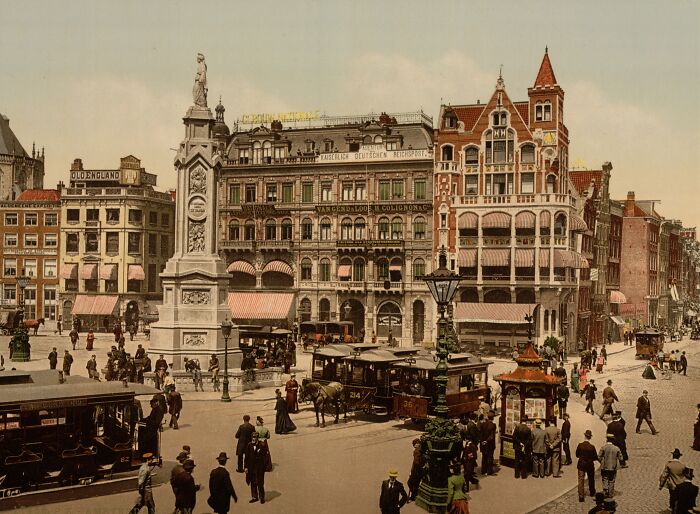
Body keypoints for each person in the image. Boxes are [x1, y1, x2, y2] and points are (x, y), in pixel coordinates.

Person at [245, 432, 271, 503]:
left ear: (257, 438)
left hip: (259, 468)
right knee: (253, 482)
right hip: (251, 468)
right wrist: (246, 467)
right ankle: (254, 497)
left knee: (260, 482)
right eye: (253, 437)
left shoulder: (261, 445)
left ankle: (262, 497)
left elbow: (265, 457)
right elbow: (246, 457)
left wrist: (263, 466)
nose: (253, 439)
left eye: (255, 437)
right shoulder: (249, 445)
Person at [598, 434, 624, 498]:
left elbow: (599, 457)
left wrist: (602, 461)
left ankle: (605, 491)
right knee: (611, 480)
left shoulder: (603, 447)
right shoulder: (616, 448)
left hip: (604, 467)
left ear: (607, 439)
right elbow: (621, 458)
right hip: (613, 467)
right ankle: (610, 494)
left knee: (605, 479)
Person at [576, 430, 598, 502]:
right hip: (589, 465)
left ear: (584, 436)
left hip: (581, 464)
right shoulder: (592, 447)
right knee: (591, 479)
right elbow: (595, 457)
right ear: (590, 437)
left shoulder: (580, 445)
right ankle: (592, 492)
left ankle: (581, 496)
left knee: (581, 480)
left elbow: (577, 455)